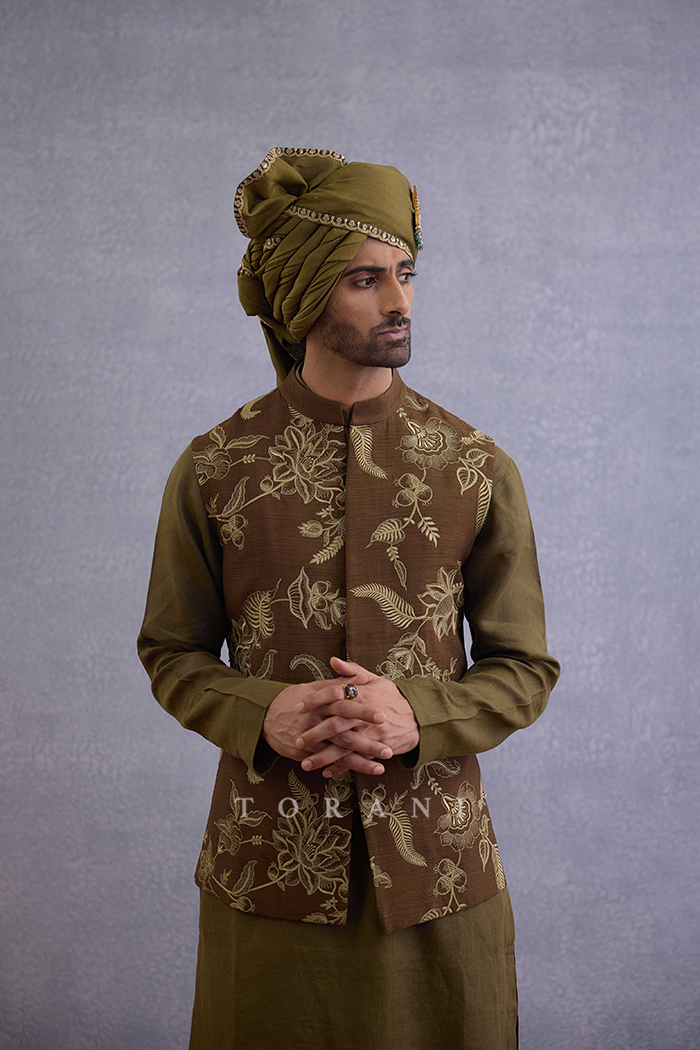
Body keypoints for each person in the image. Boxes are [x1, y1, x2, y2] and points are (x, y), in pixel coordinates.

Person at [137, 146, 561, 1050]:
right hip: (269, 877)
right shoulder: (216, 468)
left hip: (440, 877)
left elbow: (525, 669)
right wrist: (263, 711)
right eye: (365, 279)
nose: (399, 301)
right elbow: (170, 654)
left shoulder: (475, 466)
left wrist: (419, 716)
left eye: (406, 273)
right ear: (304, 298)